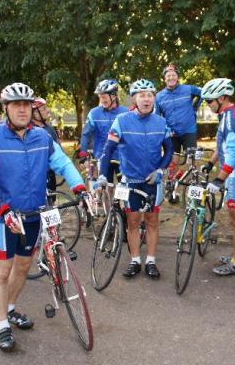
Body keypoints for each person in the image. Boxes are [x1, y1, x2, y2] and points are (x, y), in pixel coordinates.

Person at [0, 82, 86, 351]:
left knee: (23, 267)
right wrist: (2, 209)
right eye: (17, 105)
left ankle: (10, 308)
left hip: (34, 215)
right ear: (6, 109)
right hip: (6, 218)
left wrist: (79, 186)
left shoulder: (42, 137)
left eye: (27, 105)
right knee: (2, 271)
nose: (23, 110)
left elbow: (63, 163)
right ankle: (2, 325)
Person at [96, 79, 173, 279]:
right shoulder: (121, 120)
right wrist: (103, 174)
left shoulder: (161, 122)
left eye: (150, 95)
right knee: (133, 222)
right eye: (142, 95)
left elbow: (169, 149)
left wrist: (161, 169)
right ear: (134, 98)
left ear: (154, 98)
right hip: (131, 181)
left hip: (152, 181)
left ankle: (151, 261)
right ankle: (135, 260)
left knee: (152, 221)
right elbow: (108, 149)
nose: (146, 99)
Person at [199, 78, 235, 276]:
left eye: (210, 100)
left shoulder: (230, 120)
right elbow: (224, 147)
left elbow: (234, 153)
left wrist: (219, 179)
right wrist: (211, 162)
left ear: (222, 98)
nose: (208, 104)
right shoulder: (228, 115)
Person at [155, 64, 202, 179]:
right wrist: (166, 129)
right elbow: (157, 117)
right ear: (164, 78)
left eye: (173, 75)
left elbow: (203, 93)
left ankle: (190, 185)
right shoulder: (159, 96)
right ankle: (172, 187)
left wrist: (195, 107)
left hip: (189, 131)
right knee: (172, 162)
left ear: (177, 77)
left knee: (191, 161)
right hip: (172, 133)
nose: (171, 77)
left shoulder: (188, 89)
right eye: (168, 75)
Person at [78, 79, 128, 186]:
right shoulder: (94, 113)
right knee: (105, 189)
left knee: (124, 189)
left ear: (113, 96)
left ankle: (119, 202)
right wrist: (83, 153)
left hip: (122, 157)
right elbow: (86, 134)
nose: (101, 100)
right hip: (102, 156)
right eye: (100, 97)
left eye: (104, 97)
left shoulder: (125, 113)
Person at [31, 97, 61, 192]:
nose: (47, 110)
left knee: (52, 203)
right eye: (43, 109)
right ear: (34, 113)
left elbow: (58, 150)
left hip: (51, 175)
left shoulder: (50, 128)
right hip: (36, 177)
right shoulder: (30, 131)